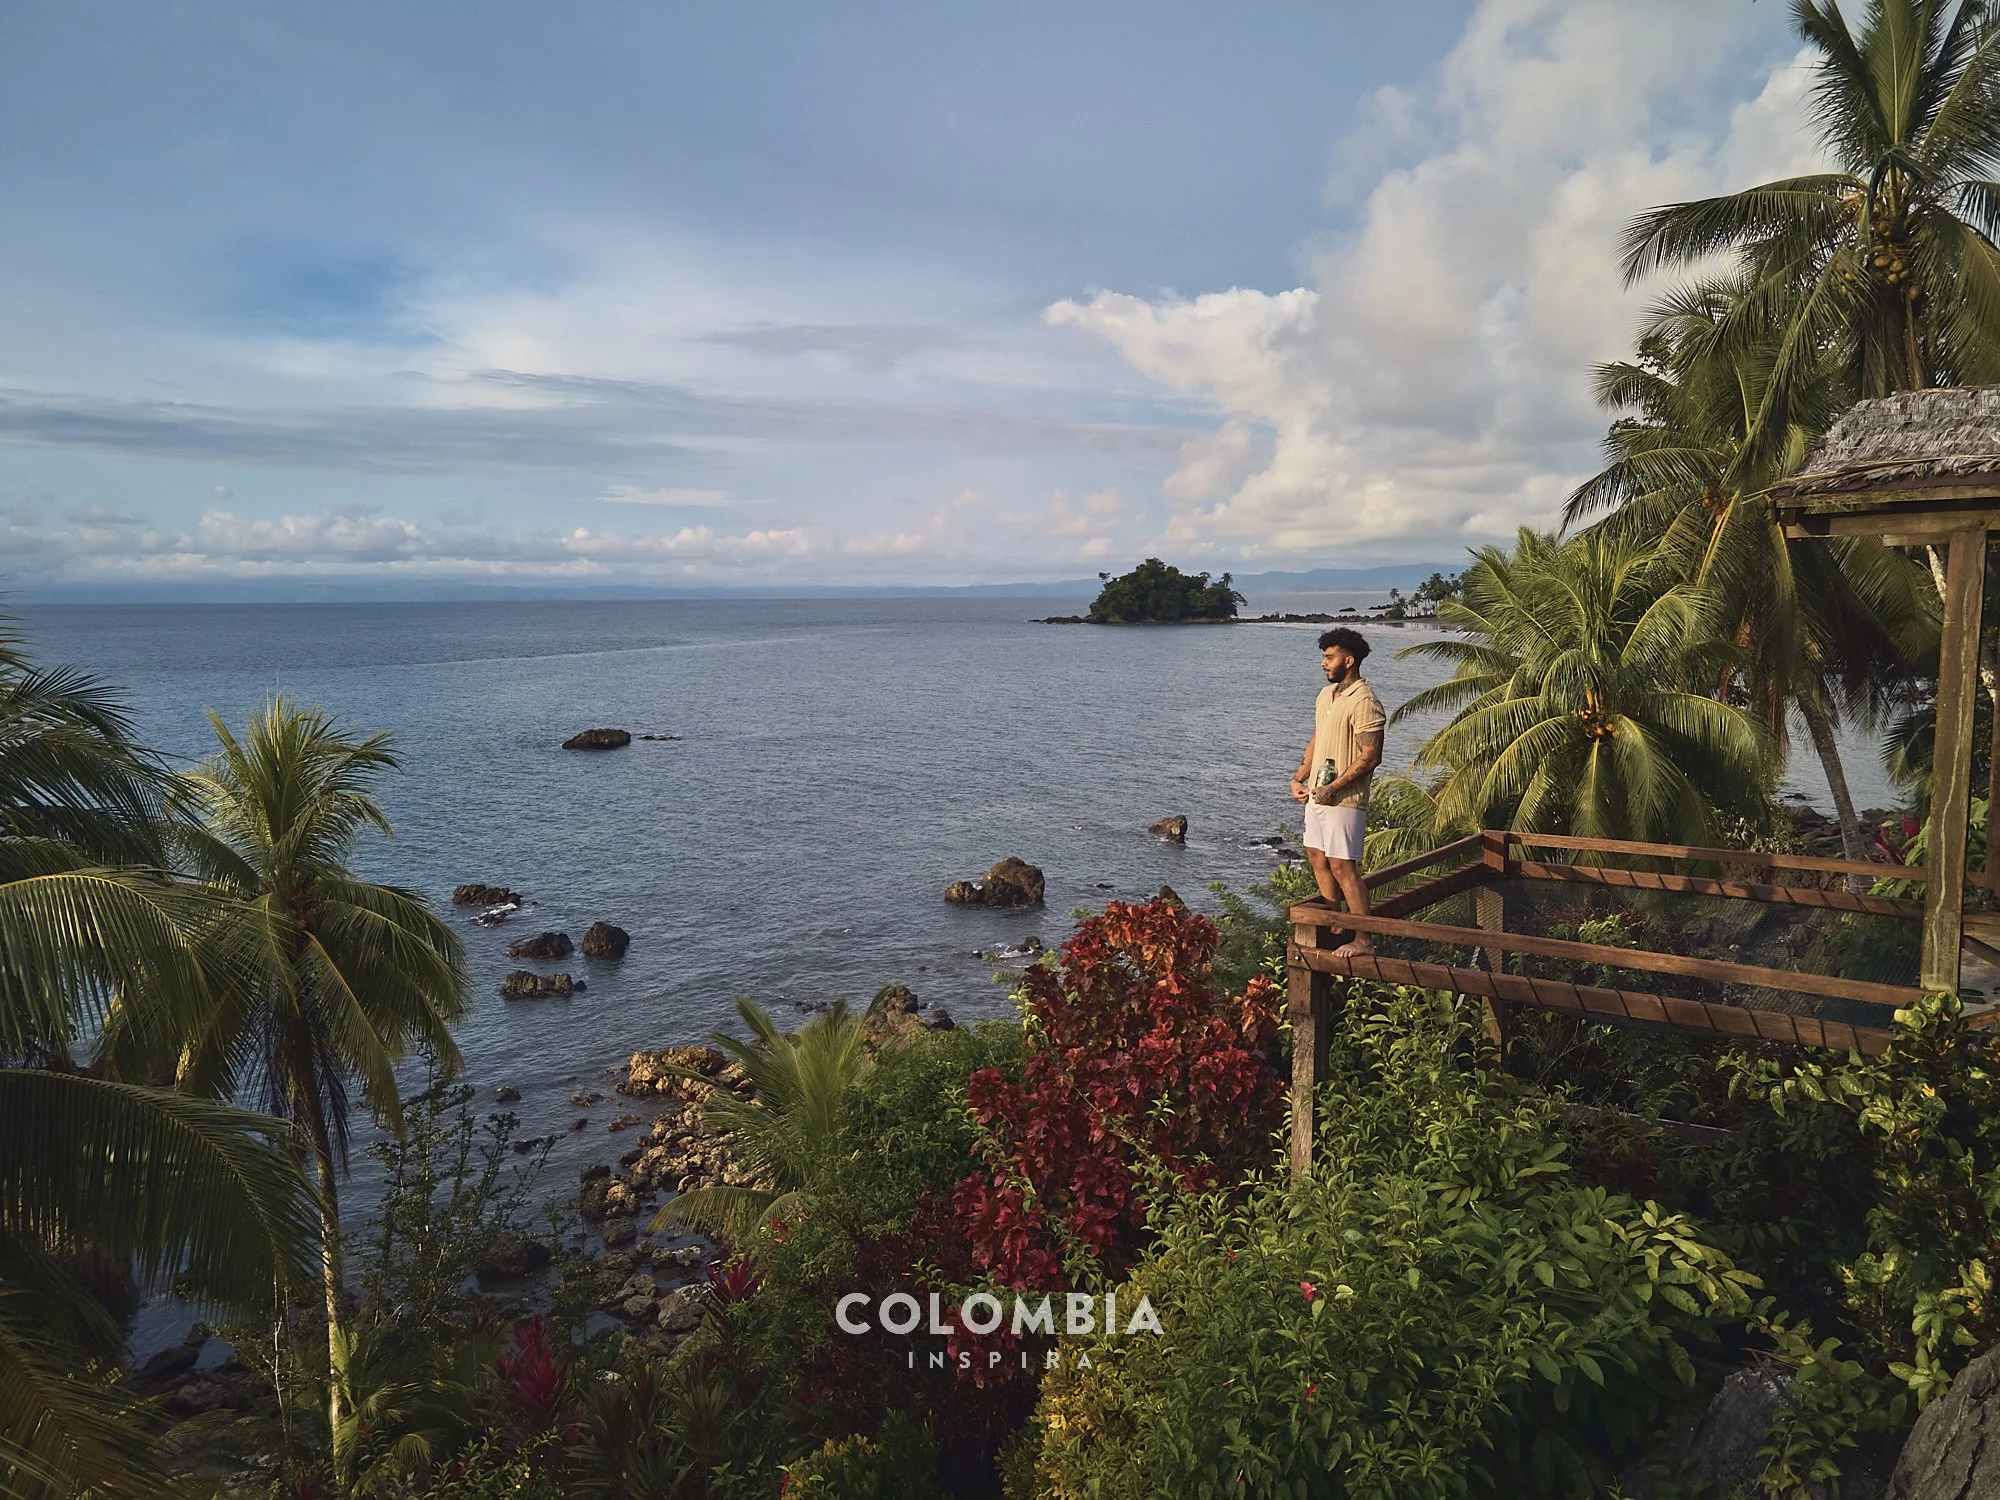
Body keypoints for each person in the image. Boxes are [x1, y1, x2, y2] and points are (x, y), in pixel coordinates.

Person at [1288, 627, 1384, 958]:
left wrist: (1333, 787)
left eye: (1329, 657)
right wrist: (1299, 777)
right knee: (1317, 856)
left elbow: (1371, 756)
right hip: (1318, 796)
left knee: (1343, 866)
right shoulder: (1326, 696)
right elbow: (1319, 738)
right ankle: (1336, 920)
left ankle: (1364, 939)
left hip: (1345, 801)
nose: (1323, 664)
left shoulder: (1365, 701)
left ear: (1349, 660)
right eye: (1323, 657)